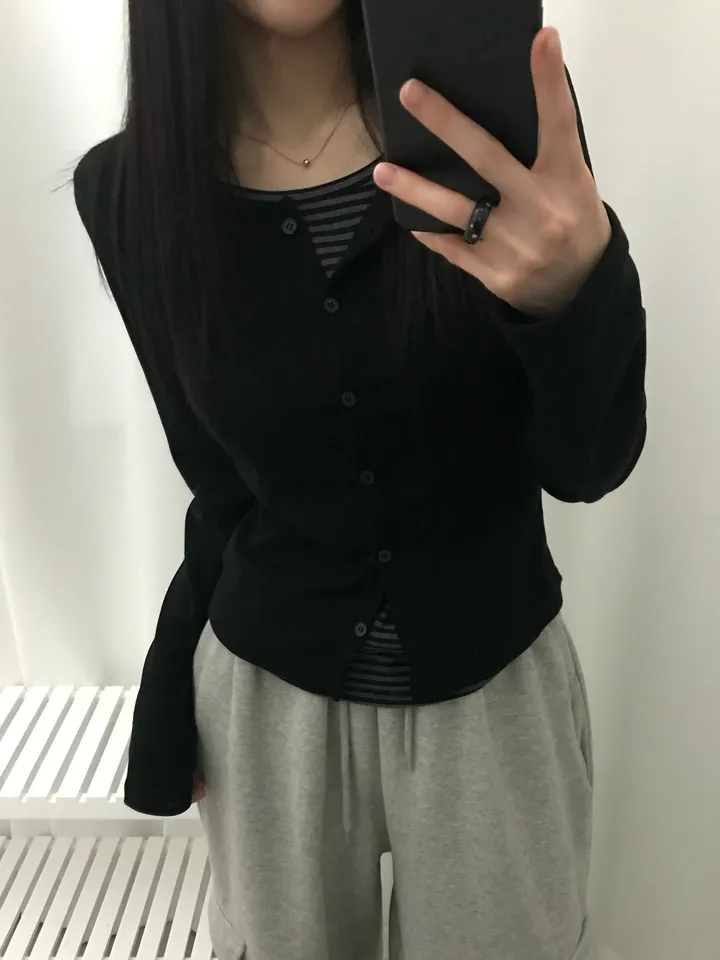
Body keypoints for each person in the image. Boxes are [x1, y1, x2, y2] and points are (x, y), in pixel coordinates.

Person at [72, 1, 647, 957]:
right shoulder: (131, 192)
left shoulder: (490, 135)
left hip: (494, 691)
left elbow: (589, 465)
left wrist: (575, 291)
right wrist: (167, 692)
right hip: (267, 706)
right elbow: (218, 486)